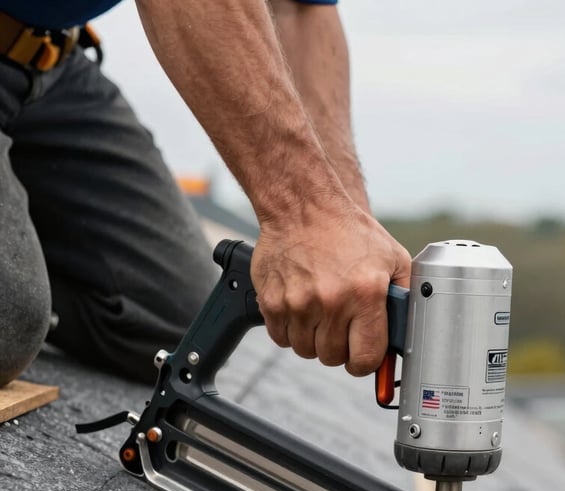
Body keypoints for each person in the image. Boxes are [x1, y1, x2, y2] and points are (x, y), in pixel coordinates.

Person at [0, 0, 412, 386]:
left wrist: (347, 226)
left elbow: (300, 11)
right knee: (9, 320)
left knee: (171, 323)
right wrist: (304, 216)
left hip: (47, 57)